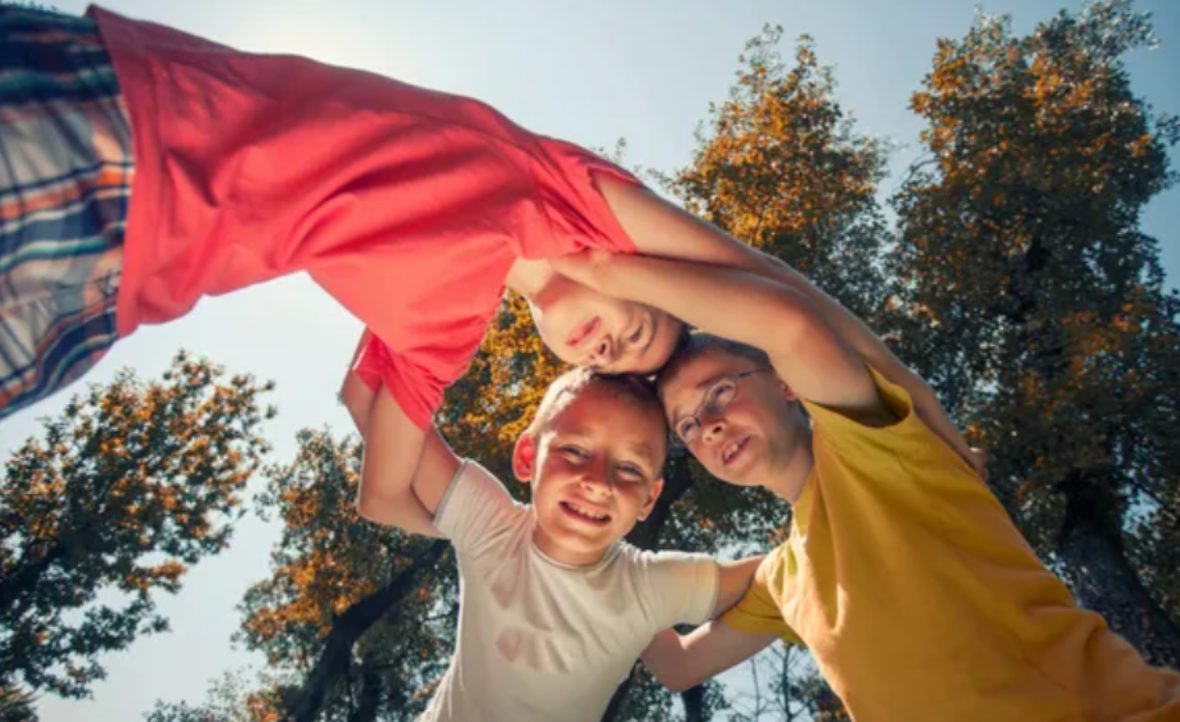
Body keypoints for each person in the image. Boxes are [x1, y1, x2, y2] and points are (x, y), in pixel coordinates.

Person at [1, 4, 979, 532]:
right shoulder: (553, 184)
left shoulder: (435, 332)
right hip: (116, 130)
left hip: (103, 304)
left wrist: (499, 534)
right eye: (639, 311)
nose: (617, 329)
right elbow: (779, 294)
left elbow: (383, 493)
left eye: (619, 349)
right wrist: (938, 437)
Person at [554, 249, 1180, 722]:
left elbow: (792, 322)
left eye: (719, 393)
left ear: (787, 383)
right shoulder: (784, 577)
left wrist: (615, 284)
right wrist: (588, 540)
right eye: (685, 426)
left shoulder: (877, 445)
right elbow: (678, 663)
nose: (706, 426)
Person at [339, 365, 760, 722]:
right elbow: (397, 421)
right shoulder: (491, 525)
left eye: (629, 468)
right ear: (527, 456)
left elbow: (780, 577)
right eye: (575, 450)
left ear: (649, 498)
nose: (599, 482)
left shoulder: (647, 585)